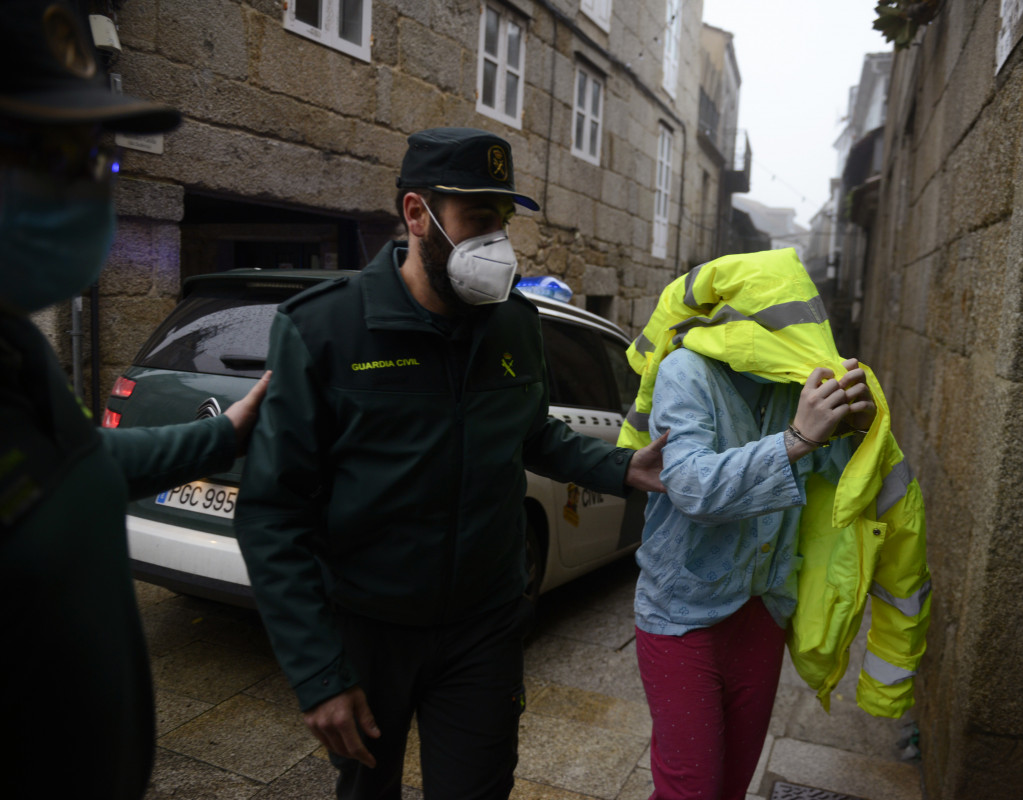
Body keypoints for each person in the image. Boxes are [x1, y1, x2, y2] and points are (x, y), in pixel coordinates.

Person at [234, 126, 666, 800]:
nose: (497, 240)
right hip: (368, 630)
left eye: (502, 220)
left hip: (485, 628)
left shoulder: (515, 326)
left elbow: (534, 435)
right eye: (478, 219)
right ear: (416, 214)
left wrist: (625, 467)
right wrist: (318, 672)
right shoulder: (325, 329)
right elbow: (270, 512)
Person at [0, 3, 271, 798]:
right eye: (46, 150)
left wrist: (231, 428)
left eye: (97, 157)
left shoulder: (14, 348)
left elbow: (79, 461)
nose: (89, 186)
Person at [618, 249, 928, 800]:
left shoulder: (798, 385)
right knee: (692, 788)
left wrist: (857, 433)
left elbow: (851, 494)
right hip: (678, 616)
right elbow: (689, 485)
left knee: (733, 783)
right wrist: (797, 440)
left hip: (762, 613)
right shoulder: (684, 371)